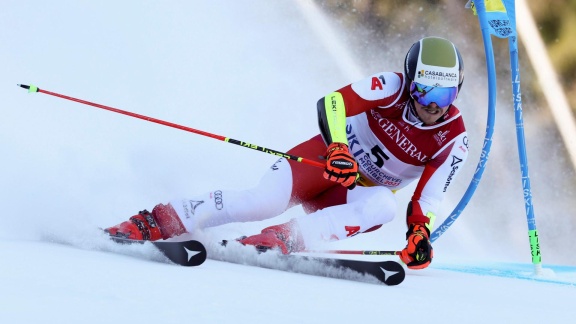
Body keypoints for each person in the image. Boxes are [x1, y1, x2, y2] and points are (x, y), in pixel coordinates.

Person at [106, 36, 468, 270]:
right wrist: (340, 148)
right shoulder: (389, 86)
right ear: (409, 80)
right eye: (425, 93)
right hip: (324, 160)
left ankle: (283, 237)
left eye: (445, 95)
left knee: (385, 207)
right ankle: (161, 219)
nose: (433, 106)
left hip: (352, 193)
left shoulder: (453, 137)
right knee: (260, 201)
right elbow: (334, 102)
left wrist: (419, 235)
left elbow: (430, 195)